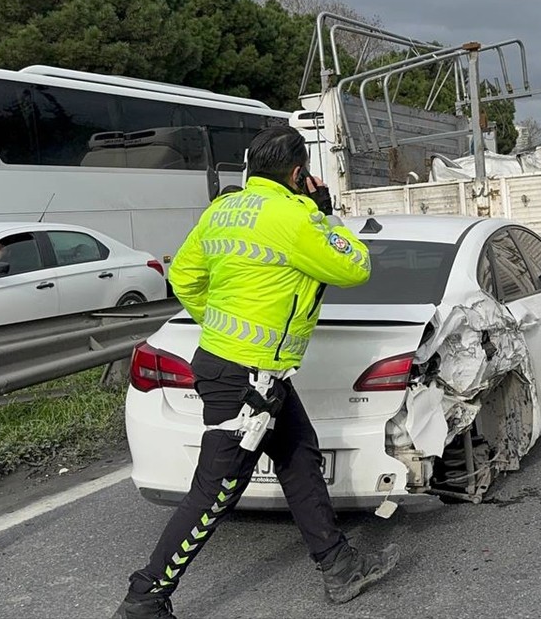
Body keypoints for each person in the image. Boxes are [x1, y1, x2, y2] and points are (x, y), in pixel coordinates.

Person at [113, 126, 399, 619]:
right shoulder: (295, 216)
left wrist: (220, 325)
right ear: (297, 173)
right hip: (248, 380)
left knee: (298, 456)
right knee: (215, 491)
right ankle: (146, 597)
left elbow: (182, 275)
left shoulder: (222, 210)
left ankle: (339, 566)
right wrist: (322, 212)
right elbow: (355, 267)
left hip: (240, 368)